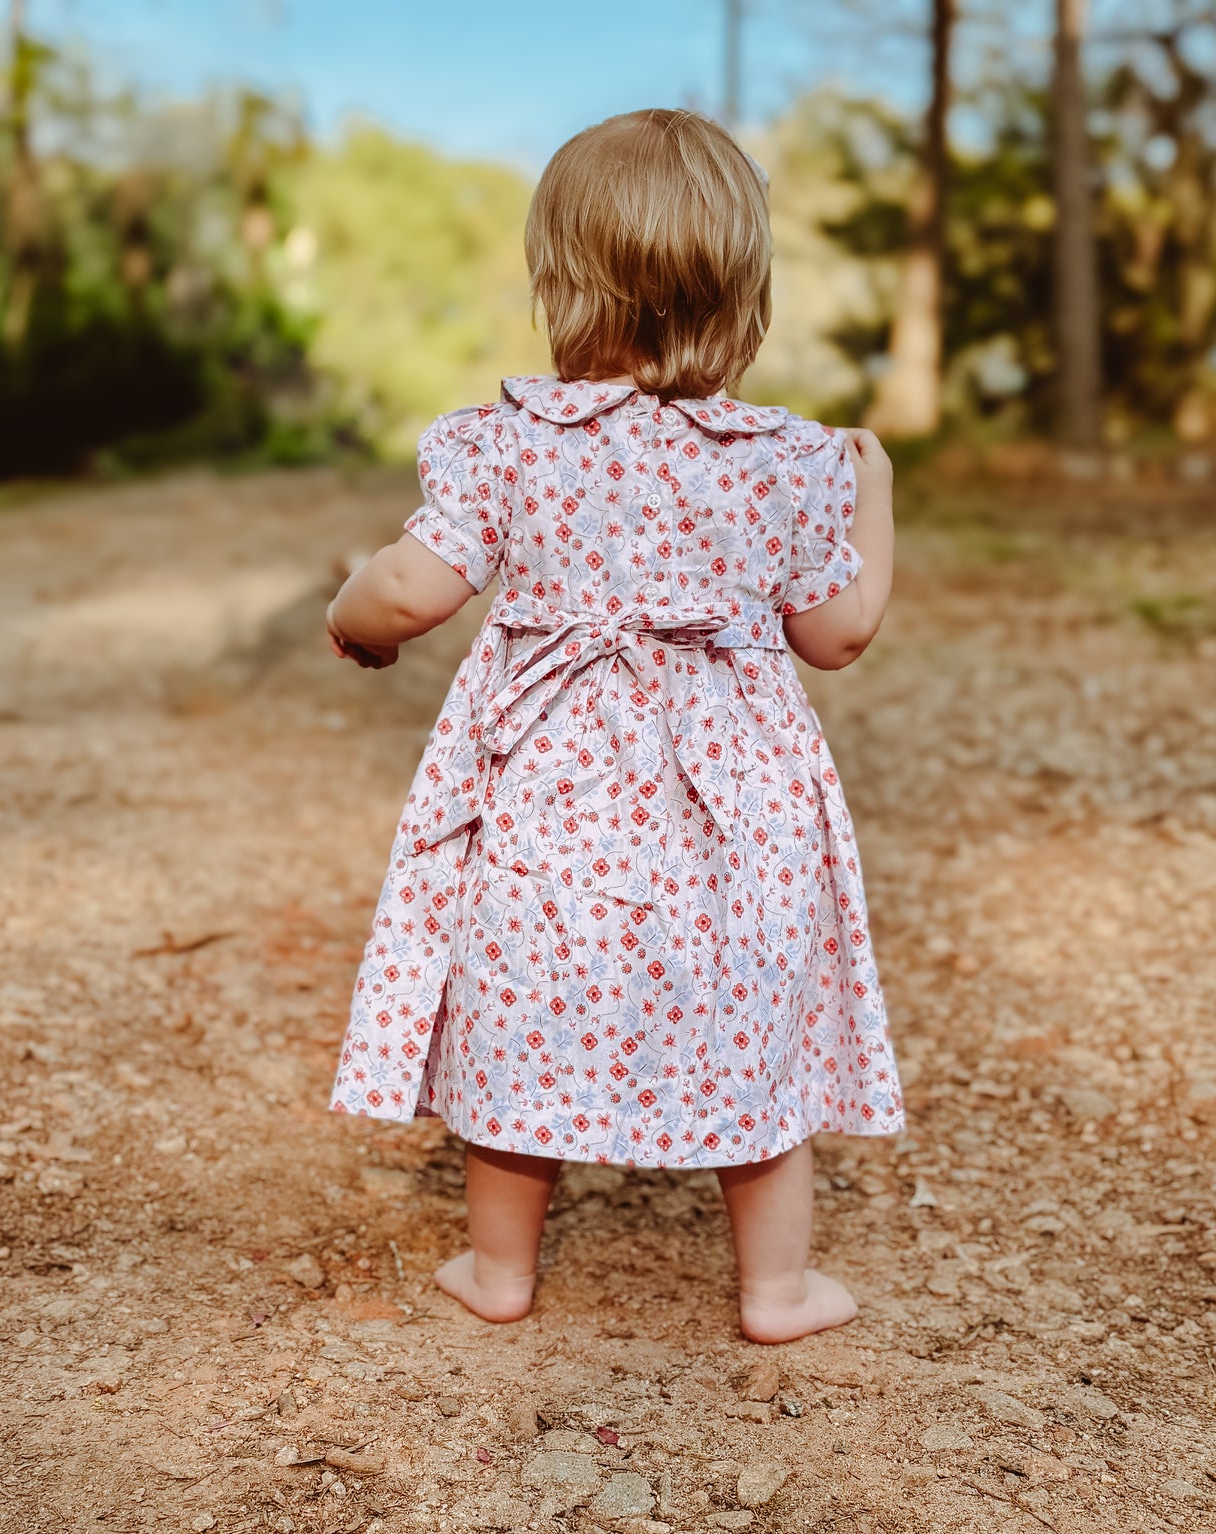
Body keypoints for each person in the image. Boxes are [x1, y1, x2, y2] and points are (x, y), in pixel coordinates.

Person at [326, 108, 902, 1342]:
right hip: (733, 811)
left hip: (554, 808)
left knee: (522, 1002)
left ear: (560, 281)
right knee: (753, 1016)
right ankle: (776, 1290)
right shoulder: (791, 463)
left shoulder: (509, 446)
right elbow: (837, 633)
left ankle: (499, 1274)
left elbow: (410, 589)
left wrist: (349, 608)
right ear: (744, 292)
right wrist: (876, 501)